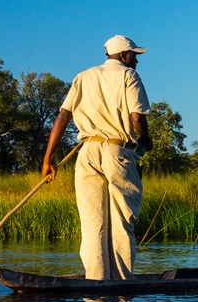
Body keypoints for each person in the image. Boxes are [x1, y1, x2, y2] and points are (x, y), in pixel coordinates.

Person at [42, 34, 153, 281]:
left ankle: (96, 281)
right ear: (123, 55)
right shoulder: (128, 76)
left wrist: (47, 159)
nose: (136, 60)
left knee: (93, 225)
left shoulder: (83, 76)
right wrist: (146, 141)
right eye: (134, 55)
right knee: (122, 222)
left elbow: (62, 117)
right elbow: (137, 118)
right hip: (117, 152)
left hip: (87, 154)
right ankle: (122, 283)